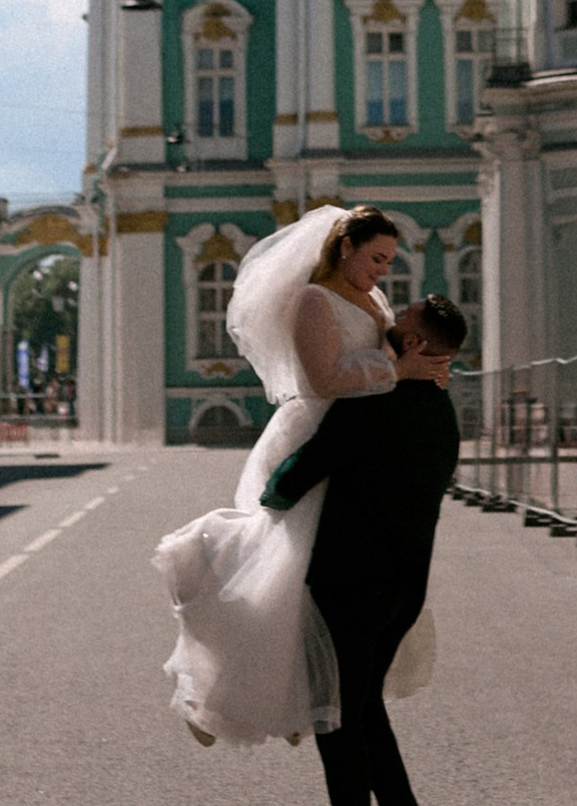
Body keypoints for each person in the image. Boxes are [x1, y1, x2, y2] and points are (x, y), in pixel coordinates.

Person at [154, 203, 403, 748]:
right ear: (345, 248)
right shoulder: (313, 300)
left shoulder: (373, 301)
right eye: (376, 258)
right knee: (283, 574)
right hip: (312, 437)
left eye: (388, 262)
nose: (383, 271)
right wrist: (395, 368)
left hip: (357, 446)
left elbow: (381, 359)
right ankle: (198, 576)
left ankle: (298, 698)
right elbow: (322, 380)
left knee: (312, 585)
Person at [263, 293, 466, 806]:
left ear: (415, 347)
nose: (384, 323)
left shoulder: (373, 405)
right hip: (404, 587)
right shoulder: (441, 408)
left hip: (351, 584)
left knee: (336, 717)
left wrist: (262, 501)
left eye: (396, 322)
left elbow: (295, 476)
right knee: (361, 704)